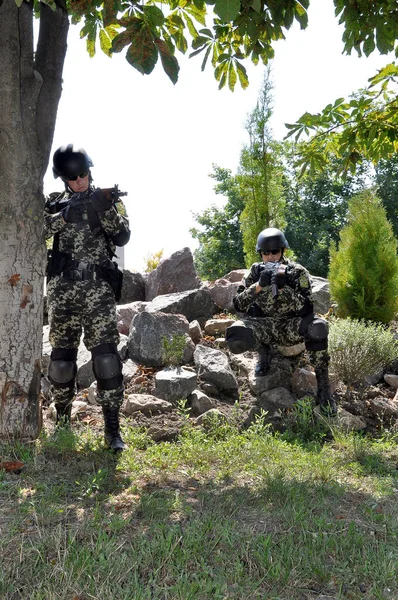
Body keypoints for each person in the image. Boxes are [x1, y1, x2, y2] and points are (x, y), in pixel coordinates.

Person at [44, 144, 131, 450]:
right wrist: (65, 216)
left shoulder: (106, 199)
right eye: (73, 177)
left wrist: (101, 208)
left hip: (98, 290)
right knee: (61, 362)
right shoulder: (54, 202)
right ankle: (63, 421)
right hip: (62, 291)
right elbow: (37, 228)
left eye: (83, 174)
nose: (80, 180)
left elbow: (122, 236)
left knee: (106, 359)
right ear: (63, 179)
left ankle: (112, 429)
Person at [225, 227, 337, 416]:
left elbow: (307, 309)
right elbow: (239, 305)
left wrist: (285, 287)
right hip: (264, 326)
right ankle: (264, 353)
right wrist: (259, 285)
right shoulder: (254, 271)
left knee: (318, 329)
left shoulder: (297, 272)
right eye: (266, 253)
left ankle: (324, 389)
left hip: (290, 326)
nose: (270, 257)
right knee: (236, 336)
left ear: (282, 251)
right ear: (261, 254)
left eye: (274, 252)